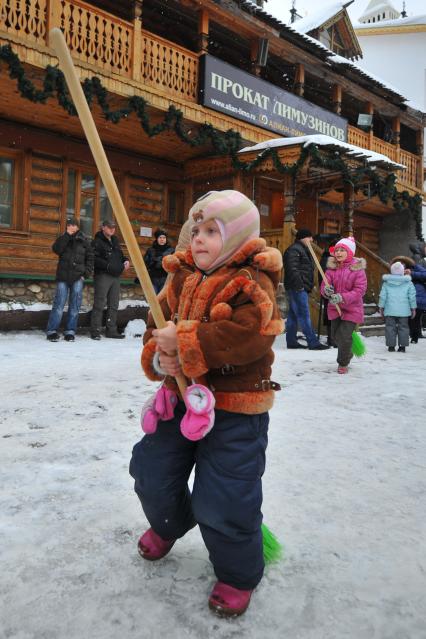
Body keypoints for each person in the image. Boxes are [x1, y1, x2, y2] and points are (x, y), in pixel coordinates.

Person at [129, 190, 283, 617]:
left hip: (235, 408)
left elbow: (252, 335)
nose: (198, 239)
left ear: (237, 238)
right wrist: (160, 354)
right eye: (195, 230)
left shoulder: (252, 281)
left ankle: (237, 573)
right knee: (151, 472)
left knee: (225, 497)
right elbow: (155, 327)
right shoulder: (180, 277)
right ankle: (169, 523)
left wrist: (186, 341)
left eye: (211, 231)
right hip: (179, 400)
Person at [320, 237, 367, 374]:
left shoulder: (357, 269)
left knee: (343, 336)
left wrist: (343, 297)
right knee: (335, 336)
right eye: (337, 250)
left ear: (350, 252)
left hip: (352, 308)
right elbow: (325, 285)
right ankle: (348, 349)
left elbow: (360, 290)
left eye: (342, 250)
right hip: (335, 308)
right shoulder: (331, 269)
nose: (338, 253)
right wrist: (326, 291)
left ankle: (343, 362)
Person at [46, 217, 93, 342]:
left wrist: (85, 274)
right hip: (63, 276)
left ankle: (70, 331)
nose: (72, 227)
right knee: (59, 304)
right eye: (69, 225)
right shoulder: (63, 238)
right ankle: (52, 331)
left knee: (75, 306)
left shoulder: (84, 240)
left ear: (78, 227)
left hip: (78, 277)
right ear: (67, 227)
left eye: (74, 225)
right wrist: (67, 235)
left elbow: (90, 258)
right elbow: (56, 249)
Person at [283, 228, 329, 350]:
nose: (311, 239)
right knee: (304, 315)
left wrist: (309, 285)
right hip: (296, 287)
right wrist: (300, 286)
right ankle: (313, 342)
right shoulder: (294, 250)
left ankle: (291, 341)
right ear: (302, 238)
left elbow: (305, 270)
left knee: (293, 315)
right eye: (309, 237)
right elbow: (292, 270)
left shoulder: (302, 249)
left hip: (299, 287)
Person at [90, 219, 130, 339]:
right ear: (103, 227)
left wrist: (125, 260)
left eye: (113, 227)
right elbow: (94, 259)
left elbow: (120, 255)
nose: (112, 229)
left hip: (116, 276)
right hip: (103, 275)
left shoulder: (115, 240)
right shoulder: (96, 241)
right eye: (109, 227)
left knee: (114, 304)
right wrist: (107, 266)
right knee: (99, 303)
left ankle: (111, 330)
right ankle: (95, 331)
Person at [378, 261, 416, 352]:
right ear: (402, 271)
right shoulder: (408, 282)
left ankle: (391, 347)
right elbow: (412, 296)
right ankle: (402, 347)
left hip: (390, 310)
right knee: (404, 328)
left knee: (390, 327)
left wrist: (381, 308)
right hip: (404, 311)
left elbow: (383, 296)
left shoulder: (386, 283)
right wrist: (413, 308)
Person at [143, 229, 174, 293]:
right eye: (160, 237)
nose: (162, 239)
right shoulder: (151, 250)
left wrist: (164, 263)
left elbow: (174, 265)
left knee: (162, 300)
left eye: (164, 238)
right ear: (157, 239)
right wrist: (154, 262)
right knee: (153, 299)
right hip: (153, 279)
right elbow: (145, 263)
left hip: (165, 279)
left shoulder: (171, 251)